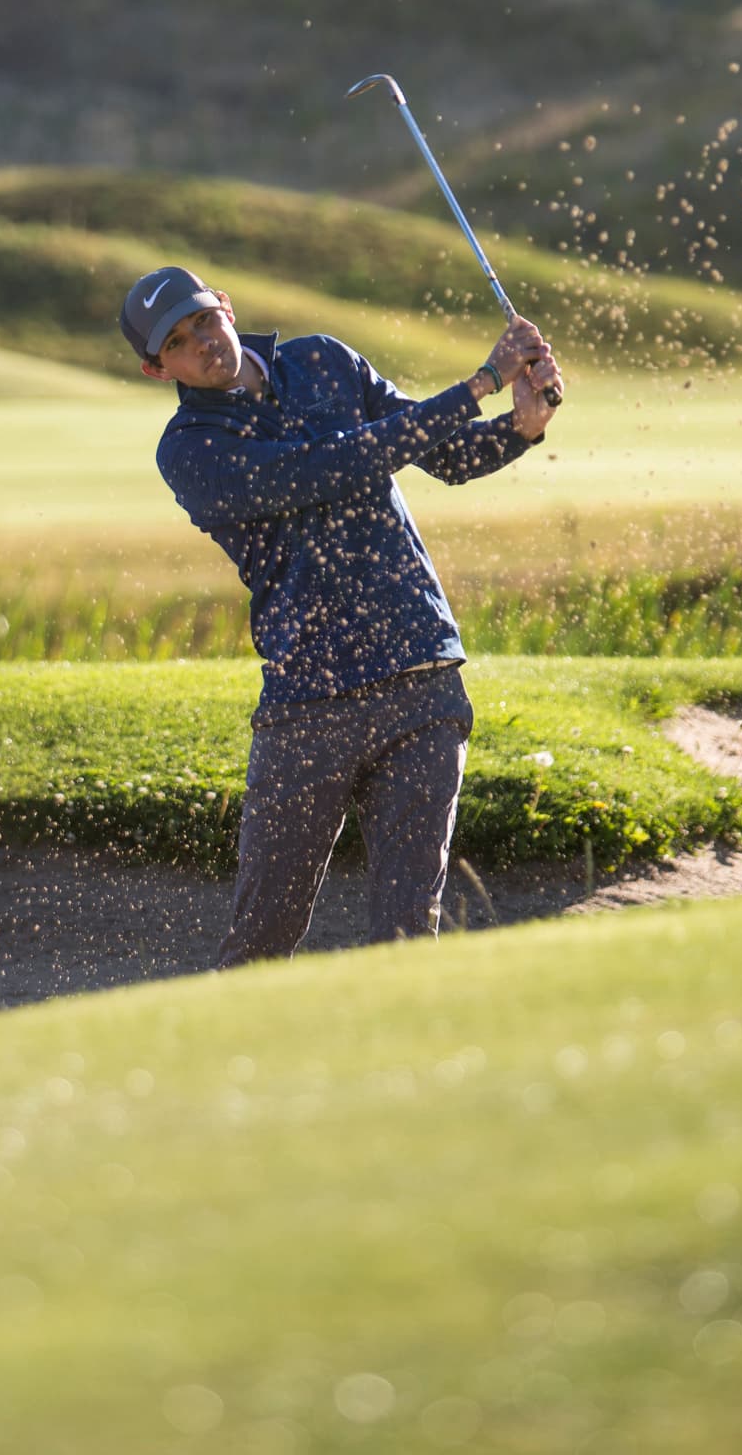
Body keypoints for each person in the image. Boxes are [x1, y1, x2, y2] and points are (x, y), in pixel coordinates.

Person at [118, 264, 562, 967]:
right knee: (263, 938)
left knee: (406, 933)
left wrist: (521, 425)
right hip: (308, 703)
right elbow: (329, 468)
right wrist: (477, 385)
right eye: (177, 341)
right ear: (156, 369)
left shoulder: (323, 360)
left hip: (419, 673)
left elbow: (441, 455)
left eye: (202, 319)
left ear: (226, 307)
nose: (202, 342)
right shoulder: (190, 451)